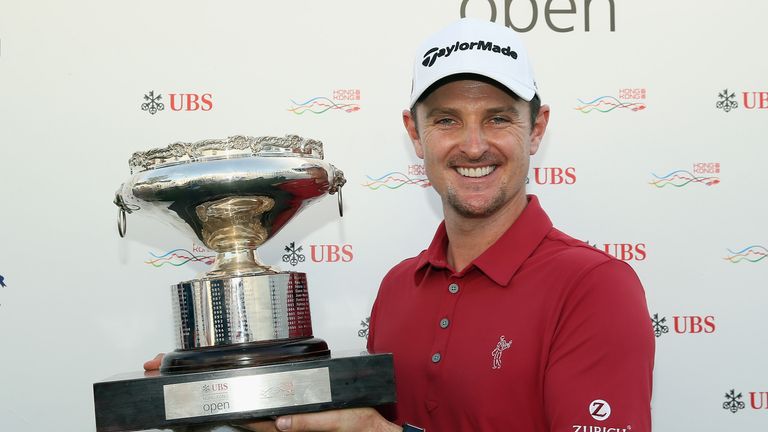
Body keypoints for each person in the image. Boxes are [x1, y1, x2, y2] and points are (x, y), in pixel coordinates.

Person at [147, 18, 655, 432]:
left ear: (536, 128)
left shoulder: (595, 287)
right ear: (414, 133)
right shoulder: (398, 288)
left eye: (498, 118)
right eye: (447, 119)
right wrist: (234, 393)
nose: (474, 145)